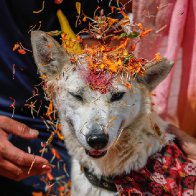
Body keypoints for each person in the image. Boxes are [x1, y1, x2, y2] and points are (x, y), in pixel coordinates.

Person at [0, 0, 195, 195]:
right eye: (78, 95)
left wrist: (106, 40)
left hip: (44, 117)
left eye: (117, 95)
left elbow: (96, 17)